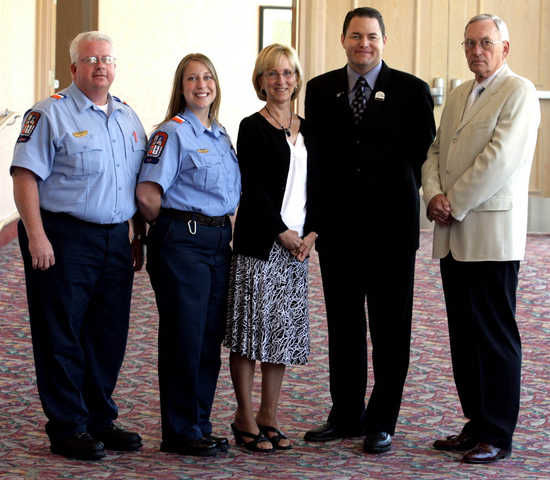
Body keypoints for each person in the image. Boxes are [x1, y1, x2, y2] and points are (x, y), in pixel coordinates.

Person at [303, 7, 435, 453]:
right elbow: (316, 160)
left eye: (372, 36)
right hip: (338, 234)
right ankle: (345, 415)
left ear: (384, 40)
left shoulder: (412, 92)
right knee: (343, 328)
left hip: (391, 234)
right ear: (343, 39)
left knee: (389, 330)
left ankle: (382, 420)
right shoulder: (320, 90)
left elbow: (420, 158)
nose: (364, 44)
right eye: (356, 35)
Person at [10, 31, 146, 460]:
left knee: (108, 335)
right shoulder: (49, 114)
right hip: (62, 236)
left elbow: (136, 182)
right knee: (61, 334)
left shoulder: (128, 117)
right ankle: (68, 426)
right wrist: (36, 235)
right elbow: (24, 176)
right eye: (90, 60)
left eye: (107, 59)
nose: (100, 66)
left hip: (114, 238)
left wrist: (137, 234)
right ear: (74, 68)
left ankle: (99, 418)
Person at [422, 14, 540, 464]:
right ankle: (476, 423)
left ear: (504, 48)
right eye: (469, 44)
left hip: (489, 233)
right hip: (454, 234)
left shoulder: (519, 92)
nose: (476, 51)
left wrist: (454, 200)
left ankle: (498, 432)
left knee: (494, 336)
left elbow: (500, 159)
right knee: (463, 337)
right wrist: (433, 193)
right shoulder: (457, 95)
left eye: (486, 43)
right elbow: (435, 151)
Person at [136, 53, 240, 458]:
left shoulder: (220, 135)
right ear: (181, 88)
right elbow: (147, 195)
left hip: (217, 245)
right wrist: (177, 230)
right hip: (183, 243)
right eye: (193, 79)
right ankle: (179, 431)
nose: (202, 85)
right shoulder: (172, 133)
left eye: (208, 77)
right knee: (185, 337)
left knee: (208, 339)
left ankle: (198, 423)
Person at [224, 44, 319, 453]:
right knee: (249, 335)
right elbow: (254, 188)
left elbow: (319, 188)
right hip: (261, 245)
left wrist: (312, 233)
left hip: (297, 248)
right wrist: (281, 230)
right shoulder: (252, 126)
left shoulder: (309, 128)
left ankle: (270, 415)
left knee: (278, 336)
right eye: (272, 74)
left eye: (288, 73)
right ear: (260, 81)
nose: (281, 81)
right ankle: (244, 417)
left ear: (297, 78)